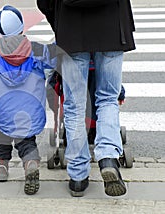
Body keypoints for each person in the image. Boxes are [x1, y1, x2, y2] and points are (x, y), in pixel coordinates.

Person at [37, 0, 135, 197]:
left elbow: (45, 1)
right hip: (111, 27)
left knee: (74, 106)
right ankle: (107, 157)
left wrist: (58, 22)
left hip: (71, 28)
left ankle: (78, 177)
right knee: (107, 98)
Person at [0, 5, 56, 195]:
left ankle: (1, 167)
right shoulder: (37, 51)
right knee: (27, 139)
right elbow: (57, 59)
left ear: (1, 30)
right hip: (30, 110)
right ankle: (31, 163)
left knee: (2, 135)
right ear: (22, 25)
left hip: (2, 111)